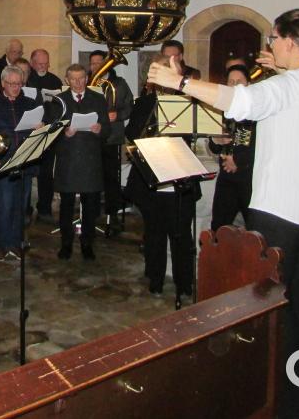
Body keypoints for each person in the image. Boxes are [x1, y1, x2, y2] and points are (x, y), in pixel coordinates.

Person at [149, 8, 299, 418]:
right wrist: (280, 69)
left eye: (273, 39)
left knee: (278, 307)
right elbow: (288, 96)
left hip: (284, 209)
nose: (268, 46)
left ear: (290, 41)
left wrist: (179, 80)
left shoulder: (290, 85)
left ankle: (292, 408)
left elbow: (237, 100)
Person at [124, 54, 199, 297]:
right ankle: (154, 279)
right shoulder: (145, 102)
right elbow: (132, 133)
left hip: (180, 178)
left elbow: (192, 136)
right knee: (154, 234)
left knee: (182, 236)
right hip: (152, 179)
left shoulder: (187, 102)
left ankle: (184, 282)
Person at [0, 65, 40, 260]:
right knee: (5, 205)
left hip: (25, 161)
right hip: (4, 162)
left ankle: (16, 243)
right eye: (11, 84)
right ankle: (3, 245)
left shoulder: (31, 104)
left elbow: (39, 135)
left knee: (21, 205)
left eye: (18, 83)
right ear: (3, 84)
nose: (16, 87)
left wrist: (40, 128)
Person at [52, 63, 110, 261]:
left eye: (81, 78)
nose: (77, 83)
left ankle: (87, 243)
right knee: (66, 205)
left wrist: (100, 129)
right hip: (68, 159)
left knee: (91, 205)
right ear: (67, 80)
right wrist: (64, 133)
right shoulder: (59, 101)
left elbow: (108, 130)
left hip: (90, 159)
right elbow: (50, 132)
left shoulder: (98, 99)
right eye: (73, 79)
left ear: (87, 79)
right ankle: (66, 243)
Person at [88, 50, 134, 236]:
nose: (96, 66)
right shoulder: (86, 83)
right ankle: (91, 212)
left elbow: (130, 106)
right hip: (90, 137)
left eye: (100, 62)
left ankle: (112, 214)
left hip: (111, 137)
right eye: (93, 63)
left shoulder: (119, 84)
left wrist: (118, 115)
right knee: (90, 176)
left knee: (111, 178)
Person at [208, 65, 256, 230]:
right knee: (219, 226)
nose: (234, 86)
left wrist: (237, 161)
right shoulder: (222, 109)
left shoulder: (255, 109)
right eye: (231, 82)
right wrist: (216, 140)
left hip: (249, 178)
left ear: (248, 84)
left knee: (254, 227)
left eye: (239, 82)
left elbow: (256, 143)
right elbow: (214, 147)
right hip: (226, 177)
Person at [26, 49, 63, 222]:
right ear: (32, 63)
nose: (43, 66)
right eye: (39, 64)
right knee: (25, 171)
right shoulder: (27, 78)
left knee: (46, 172)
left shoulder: (55, 80)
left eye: (45, 63)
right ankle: (25, 209)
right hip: (29, 130)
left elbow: (61, 107)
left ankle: (44, 209)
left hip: (48, 129)